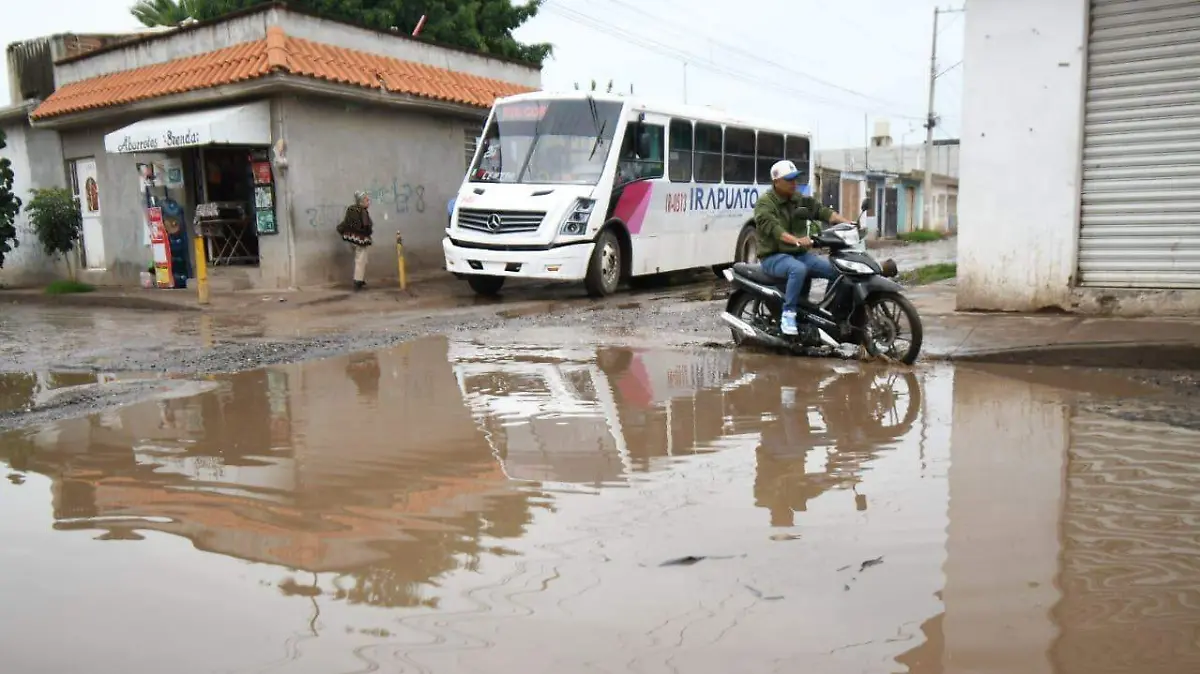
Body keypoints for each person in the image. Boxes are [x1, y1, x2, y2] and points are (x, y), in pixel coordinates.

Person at [754, 160, 854, 336]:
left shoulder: (797, 199)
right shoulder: (765, 204)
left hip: (798, 254)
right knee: (798, 269)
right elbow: (776, 230)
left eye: (796, 179)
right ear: (777, 182)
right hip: (773, 257)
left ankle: (831, 315)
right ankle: (788, 315)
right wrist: (797, 241)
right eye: (790, 180)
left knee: (839, 271)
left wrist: (849, 223)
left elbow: (822, 211)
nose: (795, 183)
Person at [336, 191, 374, 290]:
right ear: (361, 201)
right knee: (361, 259)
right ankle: (358, 281)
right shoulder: (363, 211)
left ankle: (359, 279)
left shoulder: (351, 209)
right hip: (360, 239)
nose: (368, 201)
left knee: (360, 258)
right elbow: (367, 226)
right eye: (366, 200)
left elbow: (346, 222)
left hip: (351, 238)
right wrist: (368, 232)